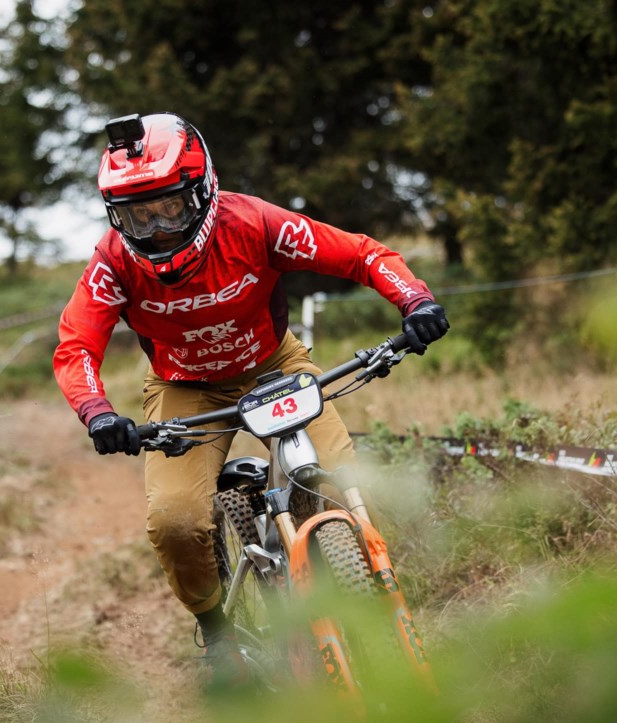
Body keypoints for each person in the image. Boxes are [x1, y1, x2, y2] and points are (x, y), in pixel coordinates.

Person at [53, 112, 449, 688]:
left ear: (203, 190)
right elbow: (75, 347)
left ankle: (360, 603)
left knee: (344, 480)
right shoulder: (114, 262)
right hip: (183, 386)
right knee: (177, 522)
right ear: (118, 215)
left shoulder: (256, 224)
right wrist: (99, 414)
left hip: (274, 365)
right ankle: (216, 634)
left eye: (170, 208)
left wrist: (415, 300)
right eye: (139, 214)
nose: (158, 229)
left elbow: (361, 254)